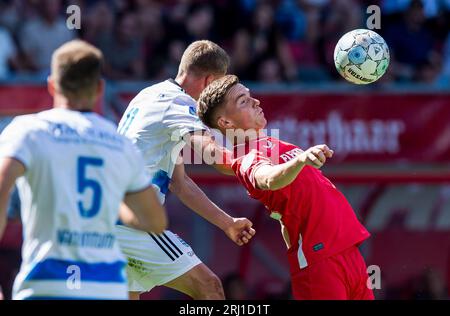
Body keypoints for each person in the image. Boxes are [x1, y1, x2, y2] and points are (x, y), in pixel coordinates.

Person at [0, 40, 167, 300]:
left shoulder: (27, 131)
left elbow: (2, 186)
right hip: (106, 287)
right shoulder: (119, 143)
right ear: (100, 88)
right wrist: (115, 203)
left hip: (46, 283)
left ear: (52, 85)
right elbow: (155, 221)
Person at [197, 75, 373, 300]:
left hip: (348, 252)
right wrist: (301, 160)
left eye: (251, 96)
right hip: (320, 260)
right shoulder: (246, 158)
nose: (255, 102)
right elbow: (268, 178)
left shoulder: (273, 144)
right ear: (226, 123)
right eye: (243, 101)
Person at [116, 40, 255, 300]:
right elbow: (213, 154)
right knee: (209, 287)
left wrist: (228, 223)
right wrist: (261, 161)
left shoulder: (148, 95)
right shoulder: (178, 104)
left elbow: (181, 184)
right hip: (130, 222)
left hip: (112, 219)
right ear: (209, 82)